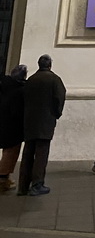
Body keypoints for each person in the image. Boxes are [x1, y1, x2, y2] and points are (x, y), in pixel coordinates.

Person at [18, 54, 66, 197]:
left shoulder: (31, 80)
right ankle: (37, 184)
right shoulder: (54, 79)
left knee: (27, 153)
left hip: (29, 121)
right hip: (45, 121)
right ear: (50, 65)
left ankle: (23, 186)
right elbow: (60, 98)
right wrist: (56, 114)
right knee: (41, 153)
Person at [0, 64, 28, 192]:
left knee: (8, 152)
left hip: (4, 124)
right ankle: (3, 178)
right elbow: (17, 111)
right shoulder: (18, 90)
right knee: (10, 153)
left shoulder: (4, 86)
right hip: (13, 127)